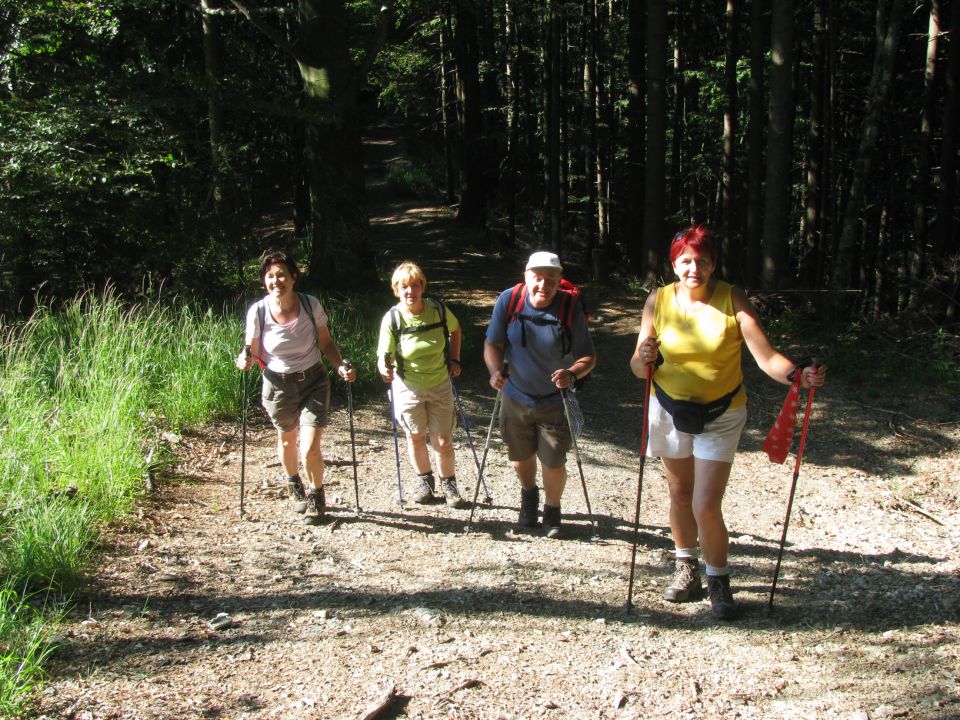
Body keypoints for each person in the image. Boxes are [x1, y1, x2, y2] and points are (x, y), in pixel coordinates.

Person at [629, 225, 826, 619]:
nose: (694, 268)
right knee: (680, 493)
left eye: (702, 261)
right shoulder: (658, 300)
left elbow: (765, 355)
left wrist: (796, 376)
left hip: (722, 413)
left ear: (714, 264)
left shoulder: (732, 298)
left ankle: (718, 579)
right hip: (667, 408)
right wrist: (644, 357)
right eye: (685, 260)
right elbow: (637, 366)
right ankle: (686, 567)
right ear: (674, 264)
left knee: (705, 503)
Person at [236, 250, 356, 525]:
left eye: (281, 275)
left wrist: (339, 365)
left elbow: (326, 342)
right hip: (278, 384)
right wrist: (245, 360)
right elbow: (252, 352)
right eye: (269, 276)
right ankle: (294, 483)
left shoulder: (310, 304)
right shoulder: (259, 311)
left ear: (293, 278)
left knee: (310, 446)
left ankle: (317, 495)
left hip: (314, 378)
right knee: (287, 439)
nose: (275, 280)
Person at [484, 251, 597, 539]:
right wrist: (495, 370)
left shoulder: (570, 306)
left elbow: (588, 357)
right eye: (537, 277)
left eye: (550, 279)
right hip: (514, 394)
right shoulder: (509, 300)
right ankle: (529, 495)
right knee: (519, 457)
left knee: (553, 460)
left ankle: (553, 509)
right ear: (526, 276)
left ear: (560, 281)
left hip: (554, 399)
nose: (543, 285)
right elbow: (492, 343)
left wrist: (571, 374)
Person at [376, 262, 467, 508]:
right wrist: (384, 368)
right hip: (407, 386)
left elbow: (456, 330)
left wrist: (455, 358)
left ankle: (449, 485)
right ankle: (425, 482)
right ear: (396, 290)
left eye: (414, 285)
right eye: (404, 286)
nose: (410, 291)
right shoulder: (392, 318)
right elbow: (384, 355)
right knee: (415, 436)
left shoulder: (437, 310)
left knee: (443, 438)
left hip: (439, 383)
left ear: (422, 287)